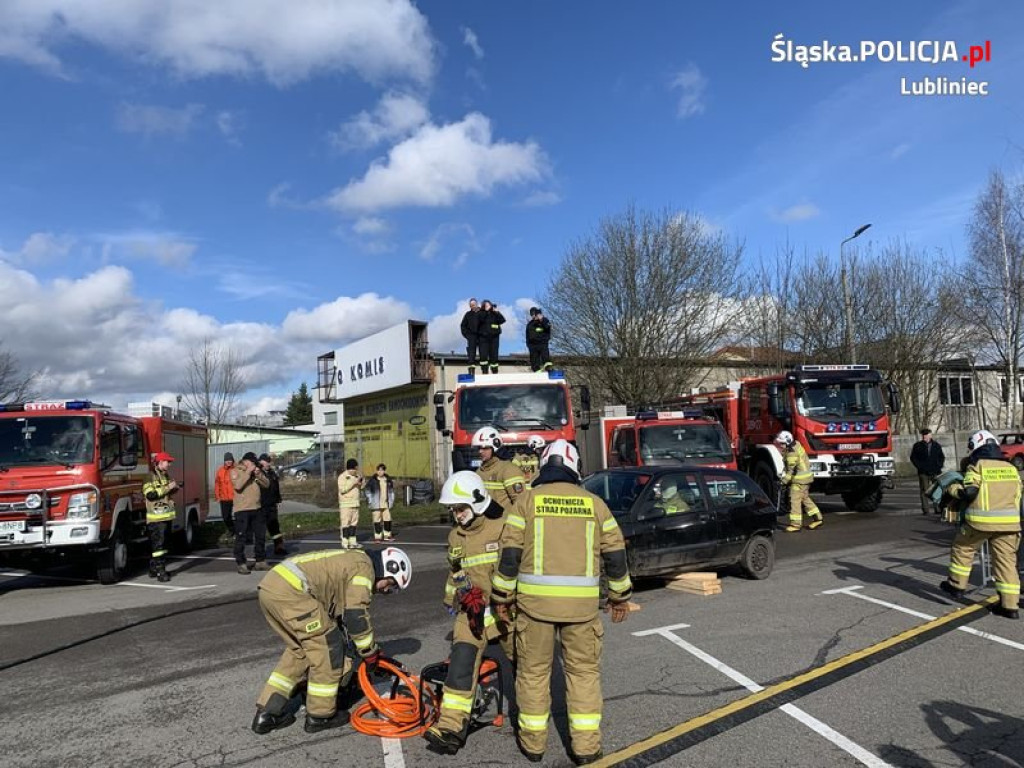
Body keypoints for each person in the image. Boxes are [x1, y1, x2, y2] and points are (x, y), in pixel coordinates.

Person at [490, 439, 632, 765]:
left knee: (533, 674)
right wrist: (619, 597)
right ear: (574, 467)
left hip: (534, 609)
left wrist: (501, 598)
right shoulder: (595, 504)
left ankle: (533, 744)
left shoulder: (525, 502)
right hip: (581, 611)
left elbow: (508, 556)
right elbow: (615, 553)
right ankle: (586, 748)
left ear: (544, 465)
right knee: (583, 674)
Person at [251, 546, 413, 735]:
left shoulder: (354, 559)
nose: (385, 591)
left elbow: (336, 606)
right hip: (293, 592)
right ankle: (320, 715)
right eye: (390, 586)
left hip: (271, 588)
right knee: (328, 647)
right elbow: (356, 615)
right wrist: (370, 652)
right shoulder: (365, 569)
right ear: (389, 568)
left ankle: (267, 713)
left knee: (300, 651)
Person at [424, 472, 512, 755]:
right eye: (453, 510)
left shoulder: (504, 527)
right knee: (460, 663)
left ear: (477, 503)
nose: (457, 515)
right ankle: (450, 728)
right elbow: (456, 572)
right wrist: (451, 597)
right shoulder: (455, 537)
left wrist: (508, 602)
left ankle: (534, 716)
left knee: (526, 662)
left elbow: (516, 569)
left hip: (505, 608)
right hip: (472, 610)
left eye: (460, 509)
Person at [940, 429, 1021, 620]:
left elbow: (968, 493)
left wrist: (952, 489)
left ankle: (956, 585)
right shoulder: (1011, 468)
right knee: (1006, 564)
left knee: (962, 548)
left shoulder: (978, 466)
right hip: (1010, 524)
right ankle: (1010, 607)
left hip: (980, 523)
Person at [142, 451, 179, 583]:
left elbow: (166, 493)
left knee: (163, 544)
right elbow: (150, 495)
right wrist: (167, 488)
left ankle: (154, 568)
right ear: (159, 462)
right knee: (159, 546)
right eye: (167, 462)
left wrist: (174, 488)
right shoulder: (149, 477)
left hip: (166, 517)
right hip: (156, 519)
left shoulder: (165, 475)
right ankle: (161, 571)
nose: (168, 464)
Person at [776, 431, 822, 532]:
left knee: (794, 500)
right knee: (805, 499)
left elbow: (790, 471)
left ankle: (795, 525)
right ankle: (818, 518)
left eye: (782, 443)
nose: (780, 446)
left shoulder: (792, 453)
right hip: (806, 479)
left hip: (799, 480)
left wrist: (783, 482)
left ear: (787, 442)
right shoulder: (796, 444)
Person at [233, 452, 271, 574]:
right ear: (246, 461)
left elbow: (267, 484)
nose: (255, 465)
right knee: (241, 536)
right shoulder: (235, 471)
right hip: (242, 509)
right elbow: (238, 486)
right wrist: (248, 472)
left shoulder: (255, 472)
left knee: (260, 535)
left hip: (257, 508)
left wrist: (259, 475)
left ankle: (260, 560)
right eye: (253, 462)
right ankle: (241, 563)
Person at [473, 426, 525, 510]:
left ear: (495, 447)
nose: (480, 451)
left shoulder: (509, 470)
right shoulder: (479, 471)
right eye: (478, 448)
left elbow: (521, 503)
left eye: (484, 447)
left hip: (503, 522)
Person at [910, 428, 946, 515]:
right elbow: (913, 458)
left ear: (930, 435)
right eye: (923, 435)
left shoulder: (936, 445)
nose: (924, 436)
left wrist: (939, 466)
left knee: (937, 490)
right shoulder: (917, 446)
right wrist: (920, 467)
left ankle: (937, 508)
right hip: (923, 472)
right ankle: (925, 510)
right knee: (924, 491)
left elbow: (941, 457)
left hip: (935, 472)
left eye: (926, 434)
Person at [259, 454, 287, 556]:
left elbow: (276, 487)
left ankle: (279, 547)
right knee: (260, 529)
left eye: (269, 461)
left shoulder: (272, 473)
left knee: (275, 527)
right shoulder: (258, 473)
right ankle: (260, 552)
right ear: (261, 462)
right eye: (266, 461)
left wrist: (278, 500)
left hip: (271, 505)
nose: (268, 463)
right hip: (261, 505)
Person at [338, 459, 365, 549]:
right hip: (346, 504)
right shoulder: (342, 477)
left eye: (356, 469)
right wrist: (354, 483)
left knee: (354, 524)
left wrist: (361, 482)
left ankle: (353, 542)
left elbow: (362, 487)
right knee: (345, 523)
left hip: (355, 503)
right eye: (354, 469)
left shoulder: (357, 476)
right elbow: (342, 490)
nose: (355, 471)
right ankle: (345, 543)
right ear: (350, 469)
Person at [365, 463, 396, 542]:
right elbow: (367, 491)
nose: (380, 472)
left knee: (388, 519)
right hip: (376, 504)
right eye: (379, 470)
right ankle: (378, 537)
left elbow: (391, 491)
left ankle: (387, 535)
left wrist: (391, 501)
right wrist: (370, 500)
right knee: (377, 520)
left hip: (386, 503)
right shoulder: (372, 481)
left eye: (382, 470)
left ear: (384, 471)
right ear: (377, 471)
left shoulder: (388, 480)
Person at [477, 300, 505, 375]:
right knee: (483, 356)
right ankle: (484, 371)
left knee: (494, 356)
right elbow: (480, 320)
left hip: (494, 338)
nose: (488, 306)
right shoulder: (480, 313)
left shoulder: (494, 313)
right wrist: (486, 311)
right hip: (483, 338)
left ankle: (495, 371)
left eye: (489, 305)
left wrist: (497, 312)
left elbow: (502, 320)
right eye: (486, 305)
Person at [214, 452, 236, 537]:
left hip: (235, 498)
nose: (229, 461)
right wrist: (217, 496)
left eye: (230, 460)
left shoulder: (236, 470)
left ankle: (241, 531)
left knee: (240, 516)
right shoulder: (220, 471)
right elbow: (217, 485)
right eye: (227, 460)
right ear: (224, 461)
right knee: (226, 517)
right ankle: (232, 529)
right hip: (224, 498)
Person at [525, 307, 553, 372]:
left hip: (542, 343)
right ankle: (537, 372)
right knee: (534, 361)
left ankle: (548, 369)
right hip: (533, 346)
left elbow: (547, 327)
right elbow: (527, 336)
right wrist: (529, 345)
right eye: (531, 314)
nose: (533, 316)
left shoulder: (545, 320)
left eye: (534, 314)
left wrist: (541, 320)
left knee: (545, 357)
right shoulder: (530, 324)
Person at [460, 298, 482, 375]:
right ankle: (471, 373)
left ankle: (484, 372)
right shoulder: (468, 314)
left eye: (473, 305)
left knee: (483, 354)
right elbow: (463, 326)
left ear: (477, 304)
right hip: (471, 336)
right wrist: (467, 335)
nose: (472, 306)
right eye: (471, 305)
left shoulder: (483, 313)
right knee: (471, 355)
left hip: (482, 336)